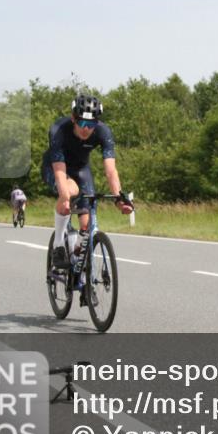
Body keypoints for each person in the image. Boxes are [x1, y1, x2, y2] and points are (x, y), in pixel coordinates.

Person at [41, 95, 133, 292]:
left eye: (91, 124)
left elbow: (110, 171)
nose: (86, 129)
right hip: (56, 168)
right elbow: (59, 171)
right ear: (73, 119)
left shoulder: (103, 132)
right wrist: (65, 197)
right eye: (82, 123)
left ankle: (79, 267)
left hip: (81, 170)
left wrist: (119, 197)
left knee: (87, 224)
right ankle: (59, 244)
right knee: (70, 191)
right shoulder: (59, 130)